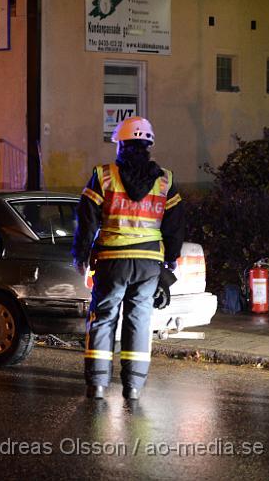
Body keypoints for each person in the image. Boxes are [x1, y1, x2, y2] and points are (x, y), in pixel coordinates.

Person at [72, 116, 183, 401]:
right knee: (139, 320)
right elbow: (175, 225)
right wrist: (171, 259)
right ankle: (132, 387)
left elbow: (87, 219)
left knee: (103, 318)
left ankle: (97, 385)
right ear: (148, 145)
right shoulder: (165, 180)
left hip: (111, 262)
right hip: (148, 264)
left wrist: (81, 255)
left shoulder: (104, 175)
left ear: (121, 145)